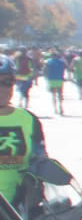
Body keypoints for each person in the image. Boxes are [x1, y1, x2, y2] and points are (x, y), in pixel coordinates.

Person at [0, 56, 48, 210]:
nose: (2, 89)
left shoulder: (28, 119)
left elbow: (40, 160)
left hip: (18, 209)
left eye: (7, 82)